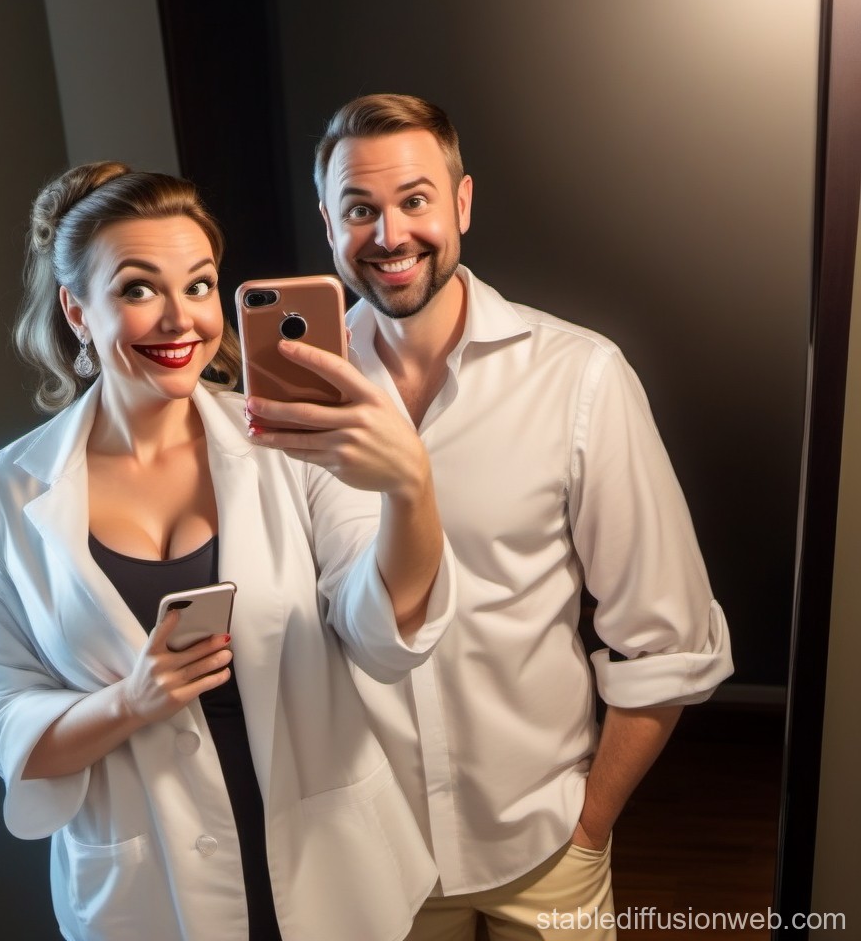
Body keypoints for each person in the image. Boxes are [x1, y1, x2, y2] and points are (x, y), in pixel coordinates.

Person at [246, 94, 733, 941]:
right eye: (359, 209)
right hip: (378, 862)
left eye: (415, 199)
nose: (390, 235)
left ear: (462, 202)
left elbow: (668, 639)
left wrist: (591, 825)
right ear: (327, 223)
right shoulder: (286, 410)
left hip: (546, 844)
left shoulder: (579, 377)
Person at [0, 161, 456, 941]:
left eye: (201, 284)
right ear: (77, 310)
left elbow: (385, 637)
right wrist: (130, 703)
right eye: (139, 289)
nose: (181, 320)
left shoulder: (292, 446)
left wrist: (411, 489)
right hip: (152, 895)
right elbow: (3, 720)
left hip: (332, 867)